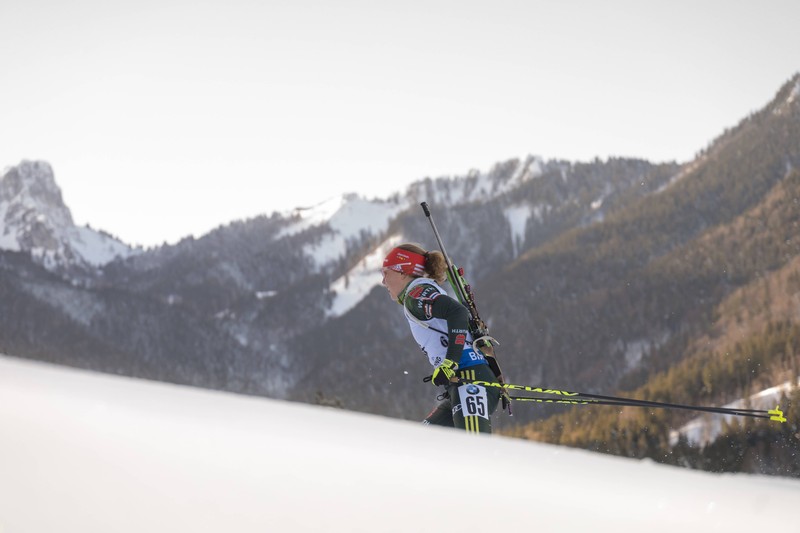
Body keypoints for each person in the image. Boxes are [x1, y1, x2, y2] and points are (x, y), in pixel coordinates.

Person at [381, 243, 502, 433]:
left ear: (402, 272)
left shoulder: (416, 294)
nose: (383, 281)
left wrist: (449, 363)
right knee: (422, 446)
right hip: (464, 381)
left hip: (470, 380)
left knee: (474, 453)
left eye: (386, 273)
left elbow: (458, 312)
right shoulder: (418, 293)